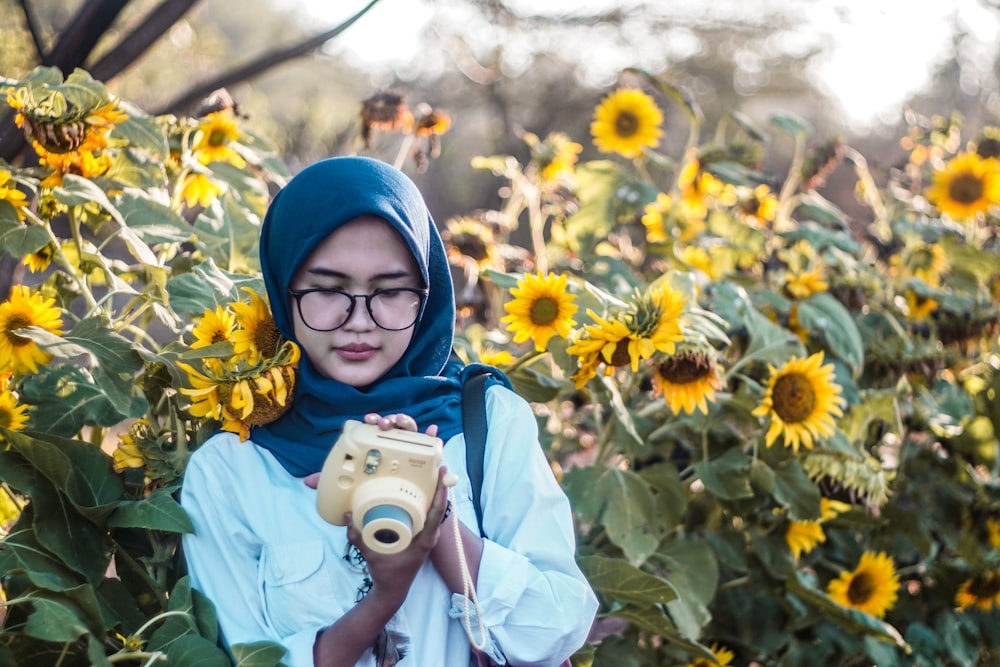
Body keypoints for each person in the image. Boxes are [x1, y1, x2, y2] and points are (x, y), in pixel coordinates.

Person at [180, 156, 599, 667]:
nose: (359, 321)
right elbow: (251, 658)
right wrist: (385, 597)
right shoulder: (231, 470)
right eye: (328, 289)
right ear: (283, 286)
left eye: (390, 291)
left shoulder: (486, 422)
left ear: (427, 293)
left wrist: (436, 514)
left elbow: (557, 628)